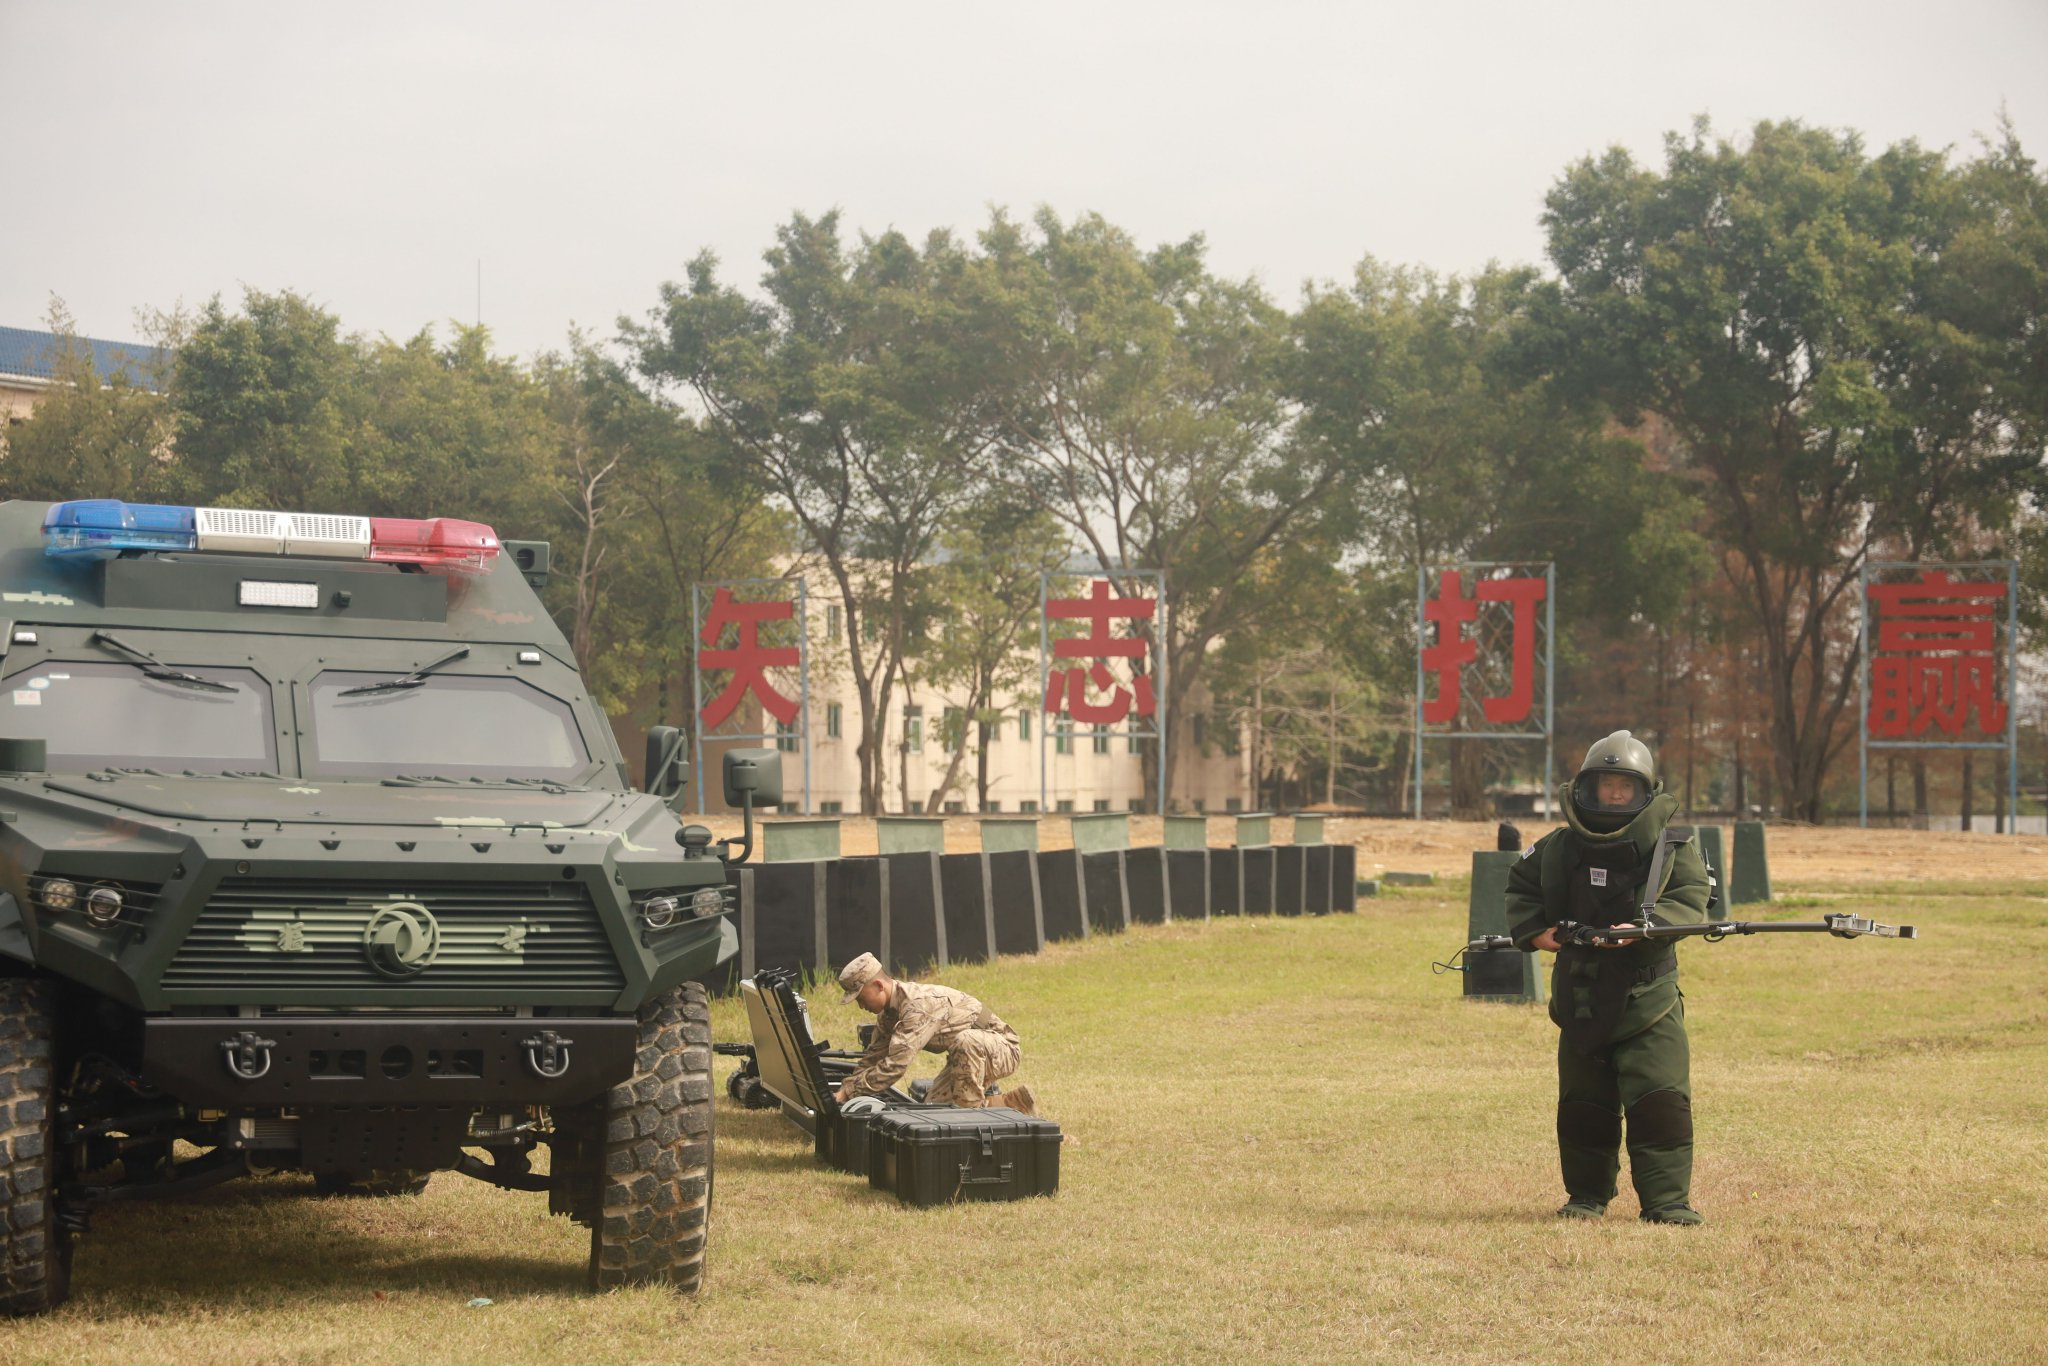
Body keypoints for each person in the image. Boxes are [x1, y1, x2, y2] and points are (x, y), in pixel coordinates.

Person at [1504, 729, 1711, 1225]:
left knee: (1660, 1101)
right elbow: (1521, 887)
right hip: (1580, 996)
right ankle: (1585, 1197)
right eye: (1607, 786)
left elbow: (1689, 897)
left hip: (1649, 998)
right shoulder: (1556, 847)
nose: (1616, 796)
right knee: (1583, 1106)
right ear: (1586, 788)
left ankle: (1667, 1203)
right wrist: (1536, 933)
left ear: (1646, 791)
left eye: (1626, 787)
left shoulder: (1674, 848)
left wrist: (1642, 930)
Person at [831, 952, 1037, 1115]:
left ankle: (976, 1115)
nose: (861, 1006)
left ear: (878, 986)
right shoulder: (889, 1014)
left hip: (1002, 1049)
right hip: (968, 1054)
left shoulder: (917, 1006)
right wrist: (845, 1090)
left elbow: (895, 1066)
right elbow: (873, 1058)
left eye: (861, 998)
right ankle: (1015, 1105)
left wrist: (850, 1091)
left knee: (964, 1105)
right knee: (934, 1110)